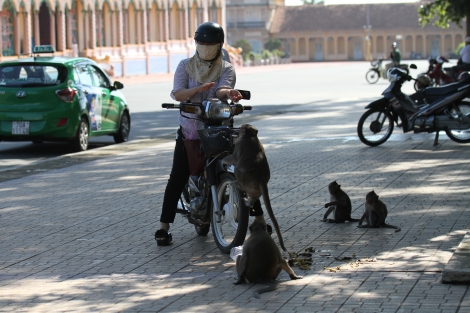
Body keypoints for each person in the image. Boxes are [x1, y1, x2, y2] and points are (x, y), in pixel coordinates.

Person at [155, 22, 270, 246]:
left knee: (242, 171)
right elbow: (178, 93)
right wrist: (197, 90)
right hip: (190, 129)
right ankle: (163, 226)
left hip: (219, 128)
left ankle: (259, 218)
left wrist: (230, 93)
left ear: (219, 46)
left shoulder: (226, 68)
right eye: (202, 43)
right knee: (178, 175)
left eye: (211, 44)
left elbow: (221, 90)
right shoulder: (184, 66)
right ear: (196, 43)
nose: (206, 47)